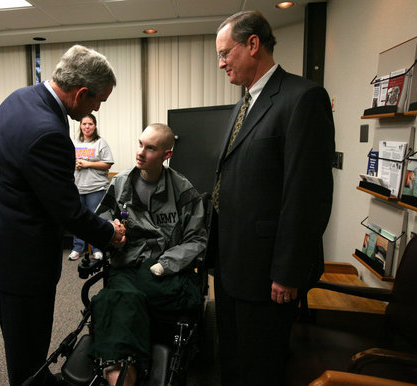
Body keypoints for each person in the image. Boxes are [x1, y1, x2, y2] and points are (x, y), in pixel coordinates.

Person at [0, 45, 126, 386]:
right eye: (97, 100)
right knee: (27, 349)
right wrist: (110, 233)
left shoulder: (18, 98)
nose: (97, 108)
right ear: (81, 92)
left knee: (17, 337)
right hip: (22, 262)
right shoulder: (48, 133)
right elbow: (69, 211)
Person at [209, 11, 335, 385]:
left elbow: (306, 194)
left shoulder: (303, 98)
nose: (220, 64)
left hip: (268, 273)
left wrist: (288, 272)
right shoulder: (243, 103)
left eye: (224, 53)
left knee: (259, 367)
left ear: (252, 44)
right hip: (231, 262)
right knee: (230, 358)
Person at [88, 123, 208, 386]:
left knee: (133, 301)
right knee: (118, 298)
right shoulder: (120, 184)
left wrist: (167, 263)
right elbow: (101, 222)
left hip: (166, 269)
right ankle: (122, 373)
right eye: (140, 144)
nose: (141, 152)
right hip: (128, 265)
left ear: (167, 155)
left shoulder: (182, 189)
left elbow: (197, 237)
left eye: (150, 148)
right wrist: (111, 233)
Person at [68, 113, 114, 262]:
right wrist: (74, 164)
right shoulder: (74, 143)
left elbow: (107, 163)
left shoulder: (100, 143)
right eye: (84, 124)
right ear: (80, 126)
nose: (87, 127)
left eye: (90, 124)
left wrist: (87, 164)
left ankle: (97, 248)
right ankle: (77, 248)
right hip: (78, 187)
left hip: (96, 187)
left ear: (95, 126)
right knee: (77, 219)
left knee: (96, 219)